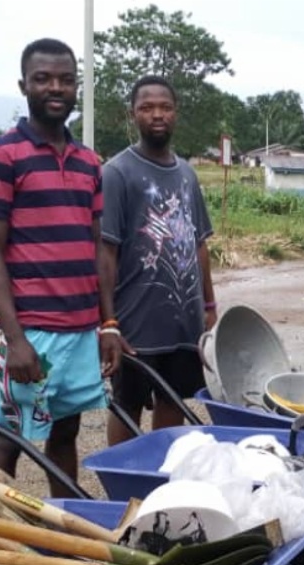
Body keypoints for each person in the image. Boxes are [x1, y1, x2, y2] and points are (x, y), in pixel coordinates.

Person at [0, 38, 122, 498]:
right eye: (43, 79)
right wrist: (15, 339)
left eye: (65, 79)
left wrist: (108, 323)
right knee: (11, 434)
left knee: (65, 432)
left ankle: (64, 527)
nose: (55, 88)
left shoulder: (89, 162)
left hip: (81, 330)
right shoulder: (0, 156)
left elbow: (96, 247)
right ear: (24, 86)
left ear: (77, 86)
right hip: (33, 329)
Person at [99, 75, 217, 446]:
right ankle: (123, 484)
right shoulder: (117, 172)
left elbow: (199, 243)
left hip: (183, 320)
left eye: (164, 107)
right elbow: (106, 252)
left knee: (173, 399)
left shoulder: (186, 173)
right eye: (147, 107)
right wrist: (109, 321)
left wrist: (209, 305)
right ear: (133, 114)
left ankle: (161, 480)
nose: (157, 115)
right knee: (127, 403)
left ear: (175, 113)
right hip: (136, 320)